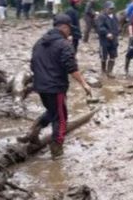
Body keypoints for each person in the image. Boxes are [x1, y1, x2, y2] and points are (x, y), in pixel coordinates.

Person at [17, 14, 92, 159]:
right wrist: (84, 84)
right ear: (64, 27)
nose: (70, 32)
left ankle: (33, 132)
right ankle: (57, 150)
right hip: (55, 87)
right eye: (69, 29)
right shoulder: (64, 44)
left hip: (41, 86)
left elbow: (33, 64)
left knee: (52, 111)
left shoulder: (39, 42)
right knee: (61, 118)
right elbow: (71, 67)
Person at [97, 1, 120, 78]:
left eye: (112, 8)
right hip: (104, 40)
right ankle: (103, 71)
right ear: (105, 8)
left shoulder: (114, 16)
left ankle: (109, 72)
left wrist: (116, 34)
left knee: (113, 55)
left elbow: (117, 27)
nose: (111, 10)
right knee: (104, 56)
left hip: (114, 39)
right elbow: (100, 28)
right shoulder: (101, 16)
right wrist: (107, 33)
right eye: (110, 8)